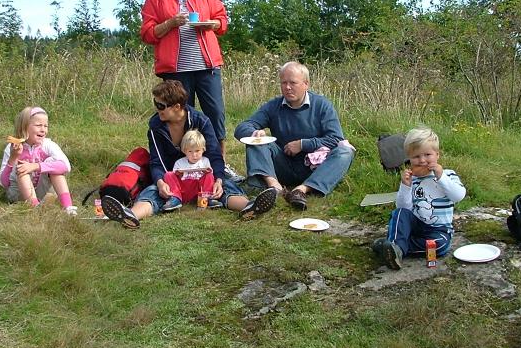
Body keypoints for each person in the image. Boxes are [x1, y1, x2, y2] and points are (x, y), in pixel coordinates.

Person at [101, 80, 277, 229]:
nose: (157, 109)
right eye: (156, 103)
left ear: (177, 107)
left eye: (161, 105)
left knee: (225, 187)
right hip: (173, 180)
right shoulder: (156, 126)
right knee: (153, 191)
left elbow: (215, 155)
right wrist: (161, 182)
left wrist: (218, 180)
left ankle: (249, 207)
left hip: (203, 178)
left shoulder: (201, 121)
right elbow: (156, 161)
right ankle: (131, 216)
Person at [140, 0, 243, 183]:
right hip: (175, 70)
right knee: (180, 116)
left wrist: (211, 24)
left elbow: (222, 19)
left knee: (215, 114)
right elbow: (146, 33)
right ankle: (185, 167)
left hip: (206, 65)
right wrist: (170, 24)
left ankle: (220, 165)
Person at [233, 61, 355, 211]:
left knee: (345, 151)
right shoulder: (273, 106)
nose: (287, 87)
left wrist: (303, 144)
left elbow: (336, 138)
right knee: (257, 141)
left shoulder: (322, 105)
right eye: (284, 83)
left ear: (306, 84)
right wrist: (254, 133)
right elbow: (242, 128)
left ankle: (302, 190)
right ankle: (274, 187)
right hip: (283, 165)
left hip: (315, 167)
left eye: (293, 83)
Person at [372, 127, 466, 270]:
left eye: (427, 155)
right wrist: (405, 186)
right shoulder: (413, 179)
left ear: (437, 155)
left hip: (439, 230)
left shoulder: (448, 175)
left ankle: (394, 248)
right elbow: (404, 208)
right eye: (416, 157)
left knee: (440, 246)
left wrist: (441, 177)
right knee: (399, 213)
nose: (422, 160)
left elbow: (458, 196)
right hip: (416, 226)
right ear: (409, 159)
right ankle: (395, 246)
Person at [0, 106, 77, 216]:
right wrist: (13, 158)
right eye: (38, 125)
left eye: (46, 126)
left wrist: (36, 166)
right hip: (18, 194)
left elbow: (66, 166)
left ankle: (68, 207)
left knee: (54, 165)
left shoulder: (48, 145)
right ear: (25, 127)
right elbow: (3, 183)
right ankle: (34, 208)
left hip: (41, 190)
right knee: (21, 168)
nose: (43, 130)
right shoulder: (12, 148)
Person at [161, 129, 221, 211]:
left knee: (209, 175)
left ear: (203, 149)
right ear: (184, 151)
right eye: (190, 151)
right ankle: (176, 198)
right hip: (183, 190)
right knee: (168, 174)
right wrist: (179, 174)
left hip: (199, 191)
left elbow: (209, 178)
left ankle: (208, 198)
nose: (194, 155)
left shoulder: (205, 161)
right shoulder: (180, 162)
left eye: (197, 151)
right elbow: (175, 177)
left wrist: (206, 172)